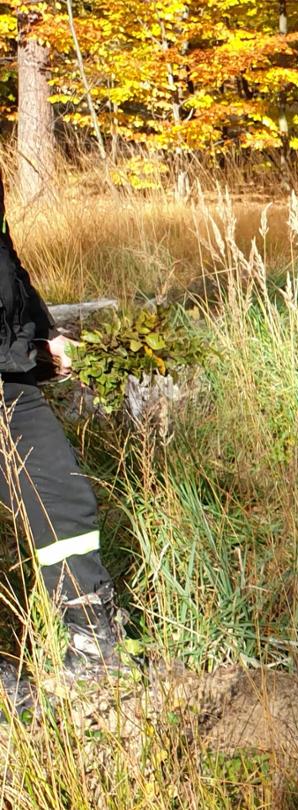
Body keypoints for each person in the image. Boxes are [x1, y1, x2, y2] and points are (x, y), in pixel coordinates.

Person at [0, 177, 133, 714]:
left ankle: (96, 647)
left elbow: (5, 259)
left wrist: (42, 333)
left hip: (10, 382)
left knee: (63, 500)